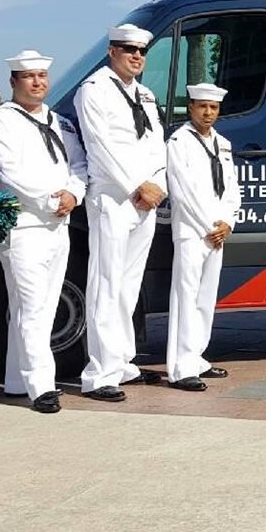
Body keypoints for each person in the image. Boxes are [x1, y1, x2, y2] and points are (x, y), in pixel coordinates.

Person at [0, 50, 89, 414]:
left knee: (40, 304)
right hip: (23, 225)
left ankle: (16, 380)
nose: (37, 82)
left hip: (59, 225)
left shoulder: (58, 122)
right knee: (32, 308)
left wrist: (75, 192)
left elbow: (78, 164)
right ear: (14, 82)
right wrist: (48, 200)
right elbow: (9, 173)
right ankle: (42, 385)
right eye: (29, 76)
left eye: (42, 75)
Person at [74, 24, 167, 401]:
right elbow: (101, 146)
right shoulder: (93, 90)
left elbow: (156, 143)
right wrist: (136, 186)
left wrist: (158, 183)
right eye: (128, 49)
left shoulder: (144, 93)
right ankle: (98, 373)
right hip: (114, 198)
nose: (136, 57)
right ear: (112, 50)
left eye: (141, 51)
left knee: (129, 285)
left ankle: (122, 362)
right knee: (106, 283)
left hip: (145, 199)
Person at [165, 83, 242, 391]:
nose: (208, 113)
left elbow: (232, 188)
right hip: (193, 231)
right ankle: (181, 368)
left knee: (206, 298)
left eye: (213, 108)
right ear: (191, 107)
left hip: (217, 232)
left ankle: (196, 357)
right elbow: (182, 191)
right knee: (185, 297)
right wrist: (209, 225)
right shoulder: (179, 141)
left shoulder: (222, 143)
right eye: (202, 106)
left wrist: (228, 223)